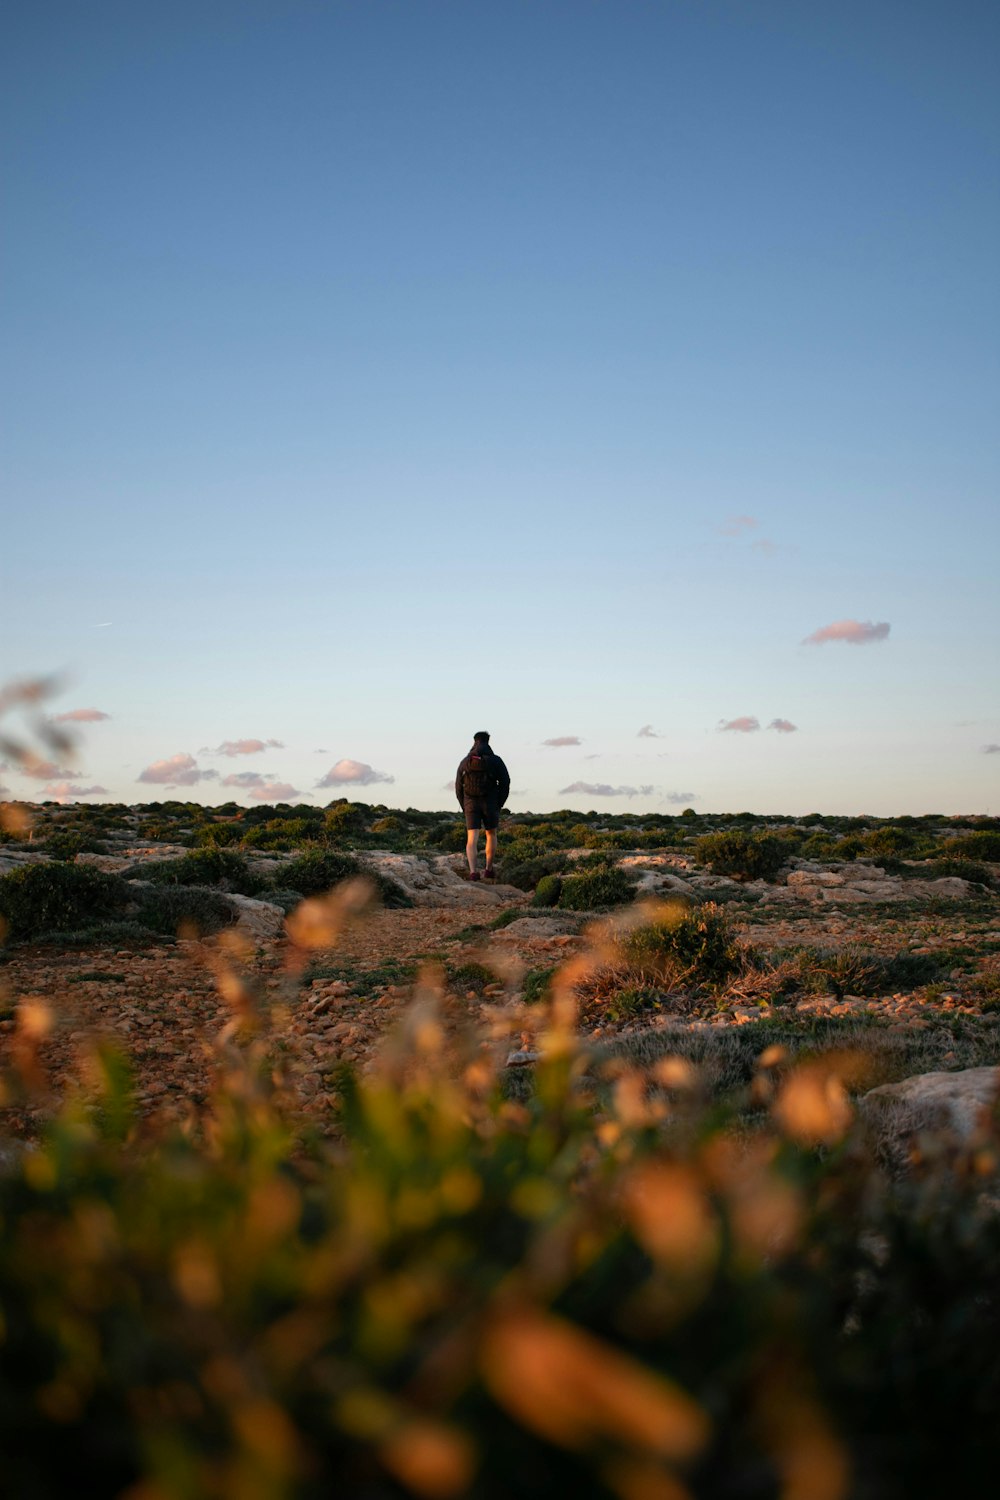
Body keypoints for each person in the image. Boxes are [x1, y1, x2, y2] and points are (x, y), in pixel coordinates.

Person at [455, 730, 510, 881]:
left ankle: (473, 873)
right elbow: (505, 782)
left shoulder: (465, 761)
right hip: (490, 801)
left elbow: (458, 786)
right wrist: (500, 802)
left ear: (474, 741)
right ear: (488, 741)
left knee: (471, 838)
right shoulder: (496, 760)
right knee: (491, 834)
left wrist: (464, 806)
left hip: (470, 802)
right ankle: (489, 869)